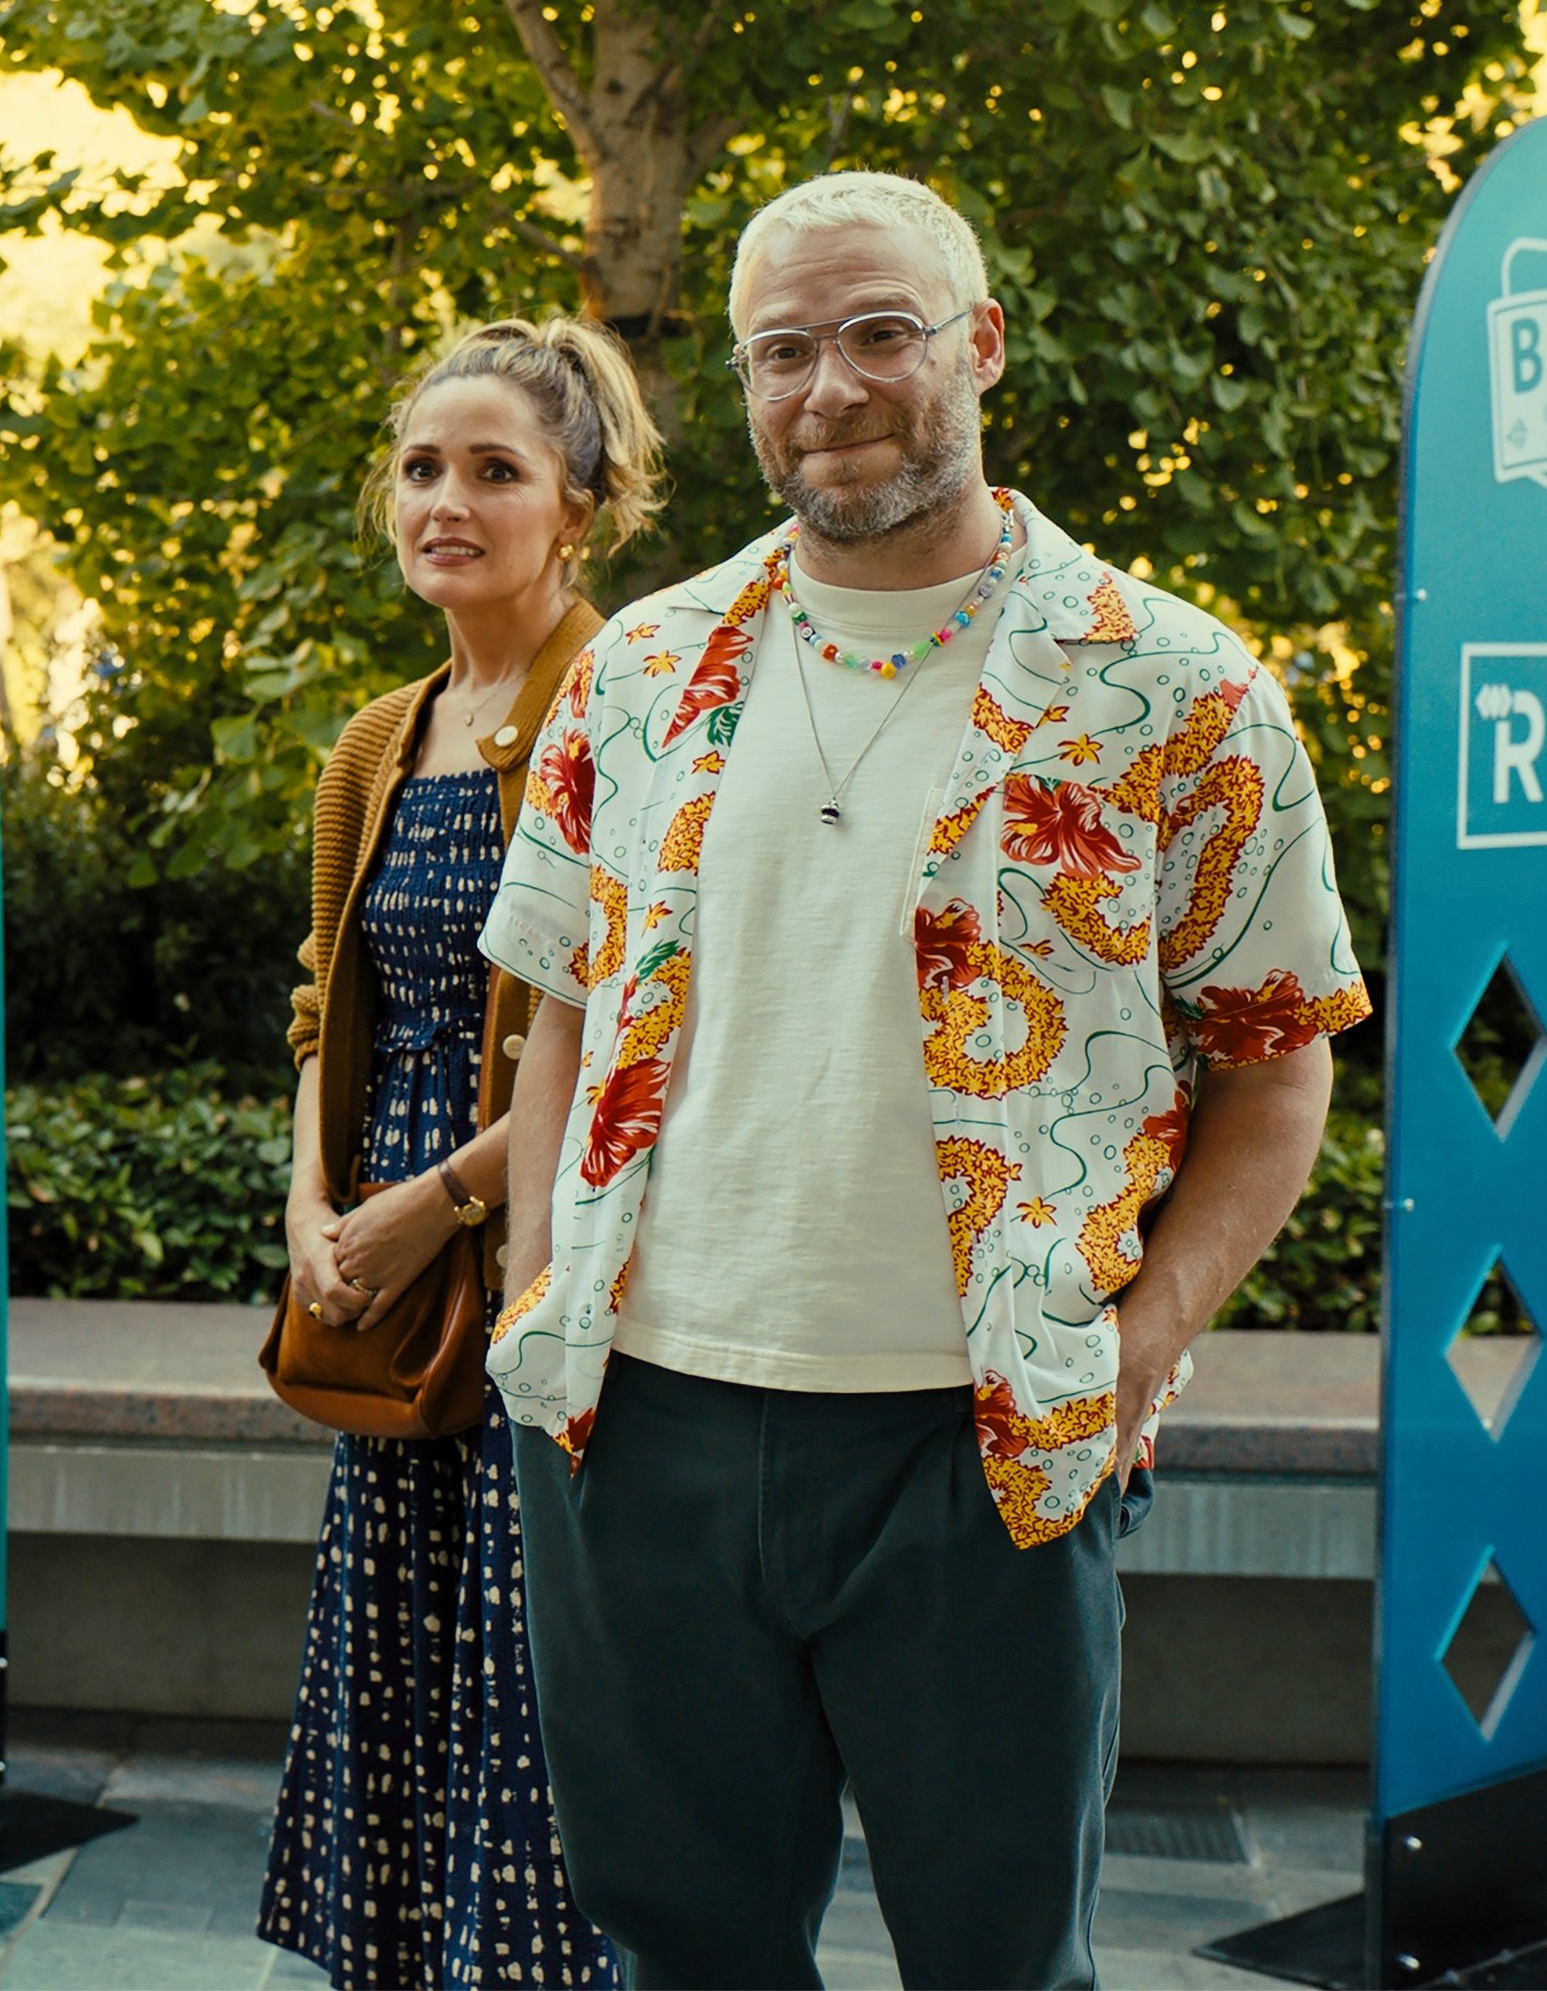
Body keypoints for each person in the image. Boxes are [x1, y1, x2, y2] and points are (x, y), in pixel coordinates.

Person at [485, 171, 1363, 1988]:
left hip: (984, 1441)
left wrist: (1144, 1343)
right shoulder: (640, 670)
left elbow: (1279, 1063)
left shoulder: (1171, 684)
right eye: (782, 351)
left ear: (981, 345)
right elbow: (558, 1005)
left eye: (881, 332)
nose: (832, 387)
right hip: (641, 1428)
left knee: (998, 1963)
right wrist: (537, 1293)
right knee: (685, 1960)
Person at [261, 320, 654, 1988]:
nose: (447, 502)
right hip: (387, 1275)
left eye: (497, 471)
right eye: (423, 468)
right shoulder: (377, 739)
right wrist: (313, 1203)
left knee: (539, 1674)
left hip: (548, 1261)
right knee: (405, 1665)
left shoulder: (631, 712)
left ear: (581, 508)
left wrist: (437, 1204)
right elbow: (321, 1001)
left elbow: (642, 1028)